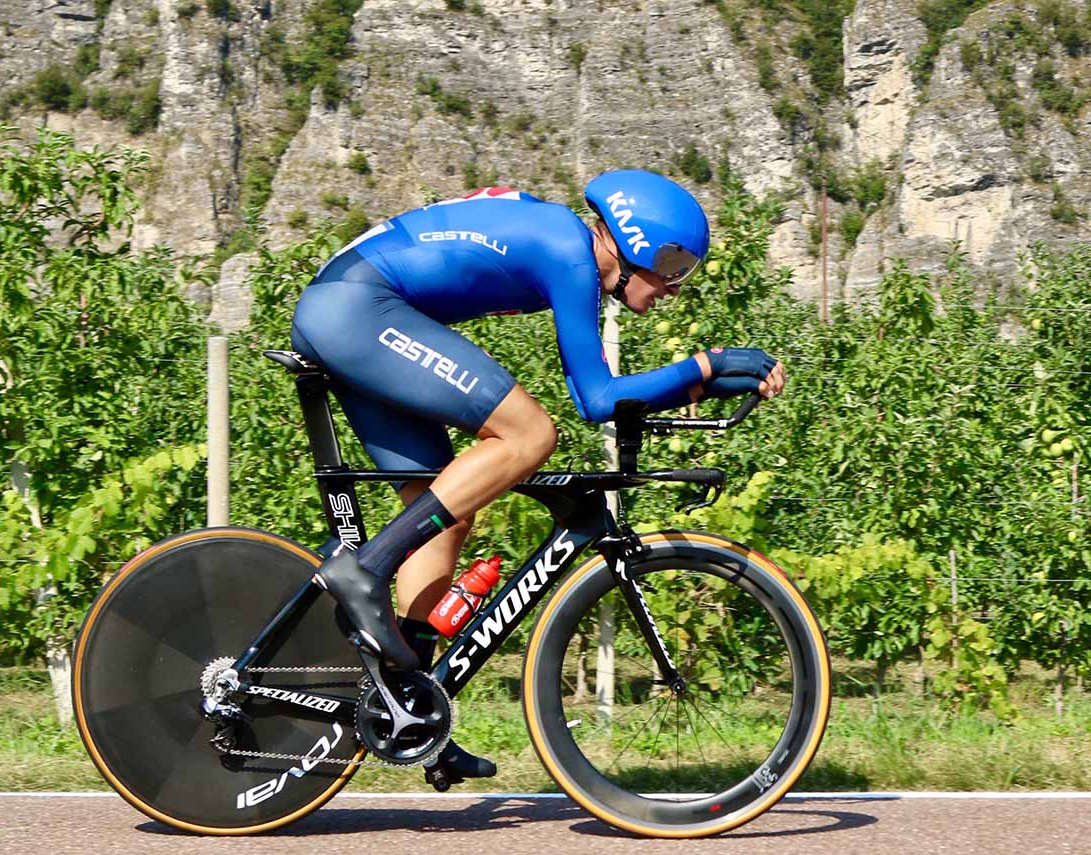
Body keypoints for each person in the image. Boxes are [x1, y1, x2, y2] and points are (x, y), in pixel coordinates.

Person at [292, 169, 786, 782]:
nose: (675, 287)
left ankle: (414, 713)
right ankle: (364, 568)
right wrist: (707, 366)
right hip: (358, 308)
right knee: (530, 434)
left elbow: (607, 394)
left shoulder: (567, 246)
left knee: (444, 513)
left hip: (353, 306)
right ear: (636, 242)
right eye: (674, 265)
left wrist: (713, 379)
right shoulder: (570, 251)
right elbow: (597, 398)